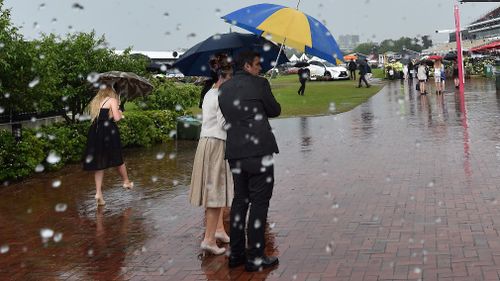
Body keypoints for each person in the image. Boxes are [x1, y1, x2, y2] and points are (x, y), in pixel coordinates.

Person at [218, 51, 281, 272]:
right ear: (246, 65)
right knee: (259, 202)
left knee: (240, 201)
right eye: (257, 65)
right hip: (258, 151)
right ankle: (255, 256)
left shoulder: (223, 88)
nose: (260, 68)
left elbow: (230, 115)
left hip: (235, 151)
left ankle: (236, 254)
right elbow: (275, 110)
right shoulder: (260, 84)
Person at [189, 54, 234, 255]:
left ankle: (218, 230)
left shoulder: (209, 92)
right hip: (216, 143)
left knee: (216, 187)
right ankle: (208, 239)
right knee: (215, 190)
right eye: (232, 75)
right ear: (225, 75)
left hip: (207, 142)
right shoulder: (222, 95)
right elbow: (225, 124)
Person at [83, 86, 133, 206]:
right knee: (117, 155)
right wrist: (120, 112)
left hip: (95, 132)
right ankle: (126, 181)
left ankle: (98, 193)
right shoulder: (112, 100)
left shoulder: (96, 101)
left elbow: (102, 117)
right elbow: (116, 118)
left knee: (99, 163)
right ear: (111, 91)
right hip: (108, 132)